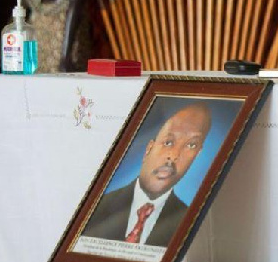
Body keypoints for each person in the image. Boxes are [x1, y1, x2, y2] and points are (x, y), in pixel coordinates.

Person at [82, 103, 212, 247]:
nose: (174, 155)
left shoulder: (192, 225)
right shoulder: (93, 210)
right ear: (149, 149)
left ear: (197, 155)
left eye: (191, 145)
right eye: (168, 142)